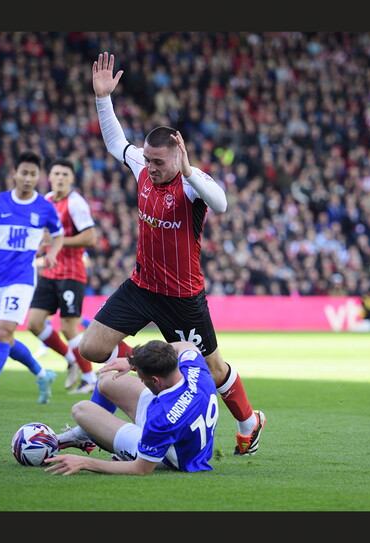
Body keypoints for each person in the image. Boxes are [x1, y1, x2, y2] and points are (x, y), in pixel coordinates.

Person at [77, 52, 265, 456]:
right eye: (148, 159)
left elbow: (222, 204)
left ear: (178, 157)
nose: (151, 166)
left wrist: (192, 169)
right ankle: (144, 362)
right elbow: (115, 142)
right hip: (142, 285)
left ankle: (250, 422)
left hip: (183, 298)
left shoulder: (193, 185)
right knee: (91, 348)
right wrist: (102, 98)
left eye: (159, 161)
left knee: (214, 372)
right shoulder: (140, 168)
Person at [0, 151, 65, 406]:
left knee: (4, 332)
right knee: (1, 336)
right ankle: (43, 374)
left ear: (38, 177)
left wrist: (52, 253)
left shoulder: (44, 207)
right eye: (24, 173)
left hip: (22, 278)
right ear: (15, 174)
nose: (28, 178)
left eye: (33, 174)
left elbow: (58, 234)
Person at [46, 340, 217, 475]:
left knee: (81, 409)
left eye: (142, 378)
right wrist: (133, 362)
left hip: (170, 455)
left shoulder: (161, 417)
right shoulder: (195, 369)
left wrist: (84, 463)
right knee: (107, 380)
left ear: (156, 380)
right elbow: (186, 345)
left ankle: (90, 435)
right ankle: (85, 435)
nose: (140, 380)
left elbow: (141, 469)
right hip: (183, 427)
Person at [25, 158, 102, 395]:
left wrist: (57, 241)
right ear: (49, 177)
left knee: (69, 326)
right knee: (35, 323)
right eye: (56, 173)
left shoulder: (76, 203)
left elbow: (90, 238)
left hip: (71, 273)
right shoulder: (46, 200)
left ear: (71, 179)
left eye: (65, 175)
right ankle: (71, 358)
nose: (60, 178)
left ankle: (89, 378)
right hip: (50, 271)